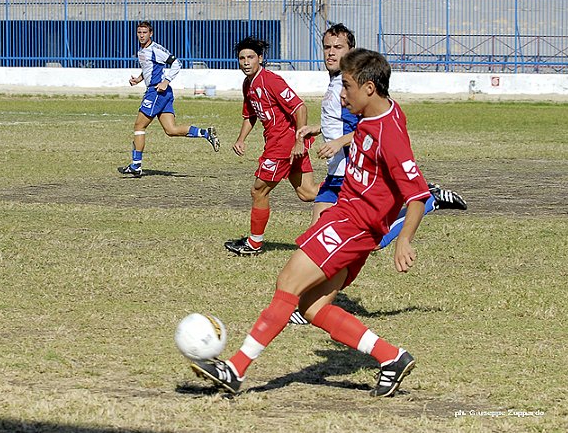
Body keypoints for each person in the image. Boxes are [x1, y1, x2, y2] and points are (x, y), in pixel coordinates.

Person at [191, 48, 430, 398]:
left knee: (288, 282)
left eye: (346, 86)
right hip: (347, 218)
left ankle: (236, 370)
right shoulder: (376, 117)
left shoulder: (389, 133)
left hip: (353, 225)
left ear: (368, 88)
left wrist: (405, 239)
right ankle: (391, 357)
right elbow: (369, 136)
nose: (341, 93)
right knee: (313, 307)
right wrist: (339, 138)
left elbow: (418, 194)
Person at [287, 24, 466, 326]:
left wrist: (339, 142)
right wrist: (317, 129)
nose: (331, 53)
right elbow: (340, 121)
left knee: (353, 237)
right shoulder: (338, 85)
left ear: (351, 52)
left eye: (338, 48)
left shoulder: (354, 87)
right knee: (322, 221)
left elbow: (366, 127)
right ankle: (312, 303)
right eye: (327, 47)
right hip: (337, 170)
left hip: (351, 171)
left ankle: (311, 305)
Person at [224, 36, 318, 255]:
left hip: (283, 144)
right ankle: (357, 195)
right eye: (242, 58)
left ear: (260, 59)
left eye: (250, 57)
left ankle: (254, 244)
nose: (246, 61)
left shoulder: (271, 81)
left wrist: (298, 140)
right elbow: (250, 115)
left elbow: (300, 108)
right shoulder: (248, 84)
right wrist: (241, 139)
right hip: (279, 143)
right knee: (307, 193)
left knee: (258, 191)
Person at [118, 21, 220, 178]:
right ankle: (205, 133)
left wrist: (166, 81)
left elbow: (176, 63)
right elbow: (148, 69)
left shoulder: (155, 49)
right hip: (162, 92)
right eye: (139, 32)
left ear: (151, 33)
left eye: (144, 32)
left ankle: (136, 165)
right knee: (170, 130)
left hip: (157, 92)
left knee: (139, 125)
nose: (141, 35)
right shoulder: (142, 50)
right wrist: (138, 79)